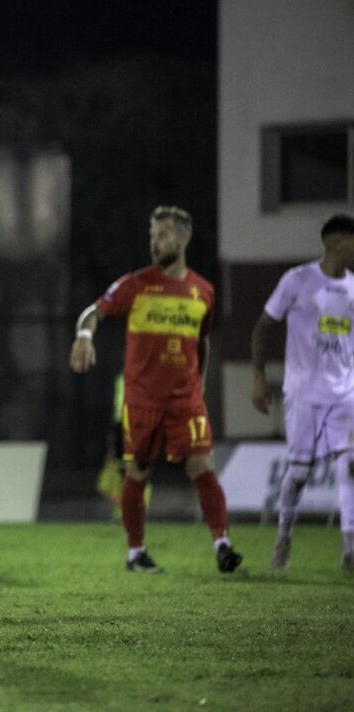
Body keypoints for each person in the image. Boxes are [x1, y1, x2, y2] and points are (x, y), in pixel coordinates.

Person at [69, 205, 242, 574]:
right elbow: (94, 311)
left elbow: (202, 342)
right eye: (152, 236)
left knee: (202, 466)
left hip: (186, 400)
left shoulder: (204, 292)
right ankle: (136, 553)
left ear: (183, 238)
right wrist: (84, 335)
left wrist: (201, 386)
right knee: (139, 472)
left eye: (162, 235)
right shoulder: (136, 284)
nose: (155, 242)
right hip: (142, 400)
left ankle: (223, 544)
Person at [251, 213, 354, 572]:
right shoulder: (298, 281)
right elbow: (262, 329)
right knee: (299, 473)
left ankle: (350, 550)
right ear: (338, 242)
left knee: (350, 466)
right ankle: (283, 536)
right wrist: (260, 378)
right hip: (304, 394)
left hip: (344, 395)